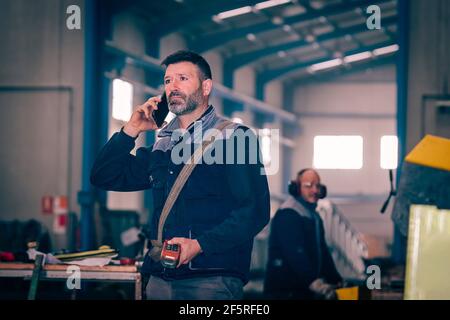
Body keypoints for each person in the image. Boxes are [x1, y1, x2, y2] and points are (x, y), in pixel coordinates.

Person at [90, 50, 270, 300]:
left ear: (206, 86)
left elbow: (254, 212)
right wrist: (130, 130)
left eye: (183, 78)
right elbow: (103, 175)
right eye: (167, 81)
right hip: (160, 278)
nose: (172, 86)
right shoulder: (163, 147)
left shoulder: (235, 138)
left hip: (211, 279)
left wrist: (199, 245)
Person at [264, 169, 342, 299]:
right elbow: (294, 253)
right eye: (308, 186)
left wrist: (336, 279)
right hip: (284, 292)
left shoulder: (314, 216)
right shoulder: (288, 213)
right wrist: (313, 281)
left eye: (317, 186)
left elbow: (322, 251)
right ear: (296, 188)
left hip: (302, 291)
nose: (315, 190)